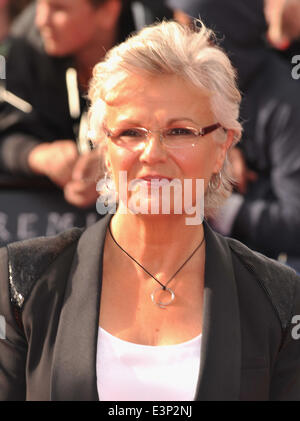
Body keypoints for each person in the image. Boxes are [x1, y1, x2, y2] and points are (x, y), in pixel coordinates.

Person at [0, 20, 300, 401]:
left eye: (180, 132)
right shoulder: (19, 283)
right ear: (103, 147)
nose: (152, 154)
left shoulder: (279, 297)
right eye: (130, 132)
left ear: (223, 146)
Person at [0, 0, 174, 208]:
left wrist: (116, 161)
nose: (41, 20)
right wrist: (39, 156)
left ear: (108, 11)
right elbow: (6, 130)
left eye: (59, 8)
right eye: (40, 4)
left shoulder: (160, 47)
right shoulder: (26, 45)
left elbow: (185, 132)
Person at [168, 0, 300, 268]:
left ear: (222, 32)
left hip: (262, 273)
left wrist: (220, 204)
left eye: (190, 28)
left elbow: (295, 223)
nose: (176, 43)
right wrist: (214, 154)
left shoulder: (285, 103)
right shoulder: (177, 91)